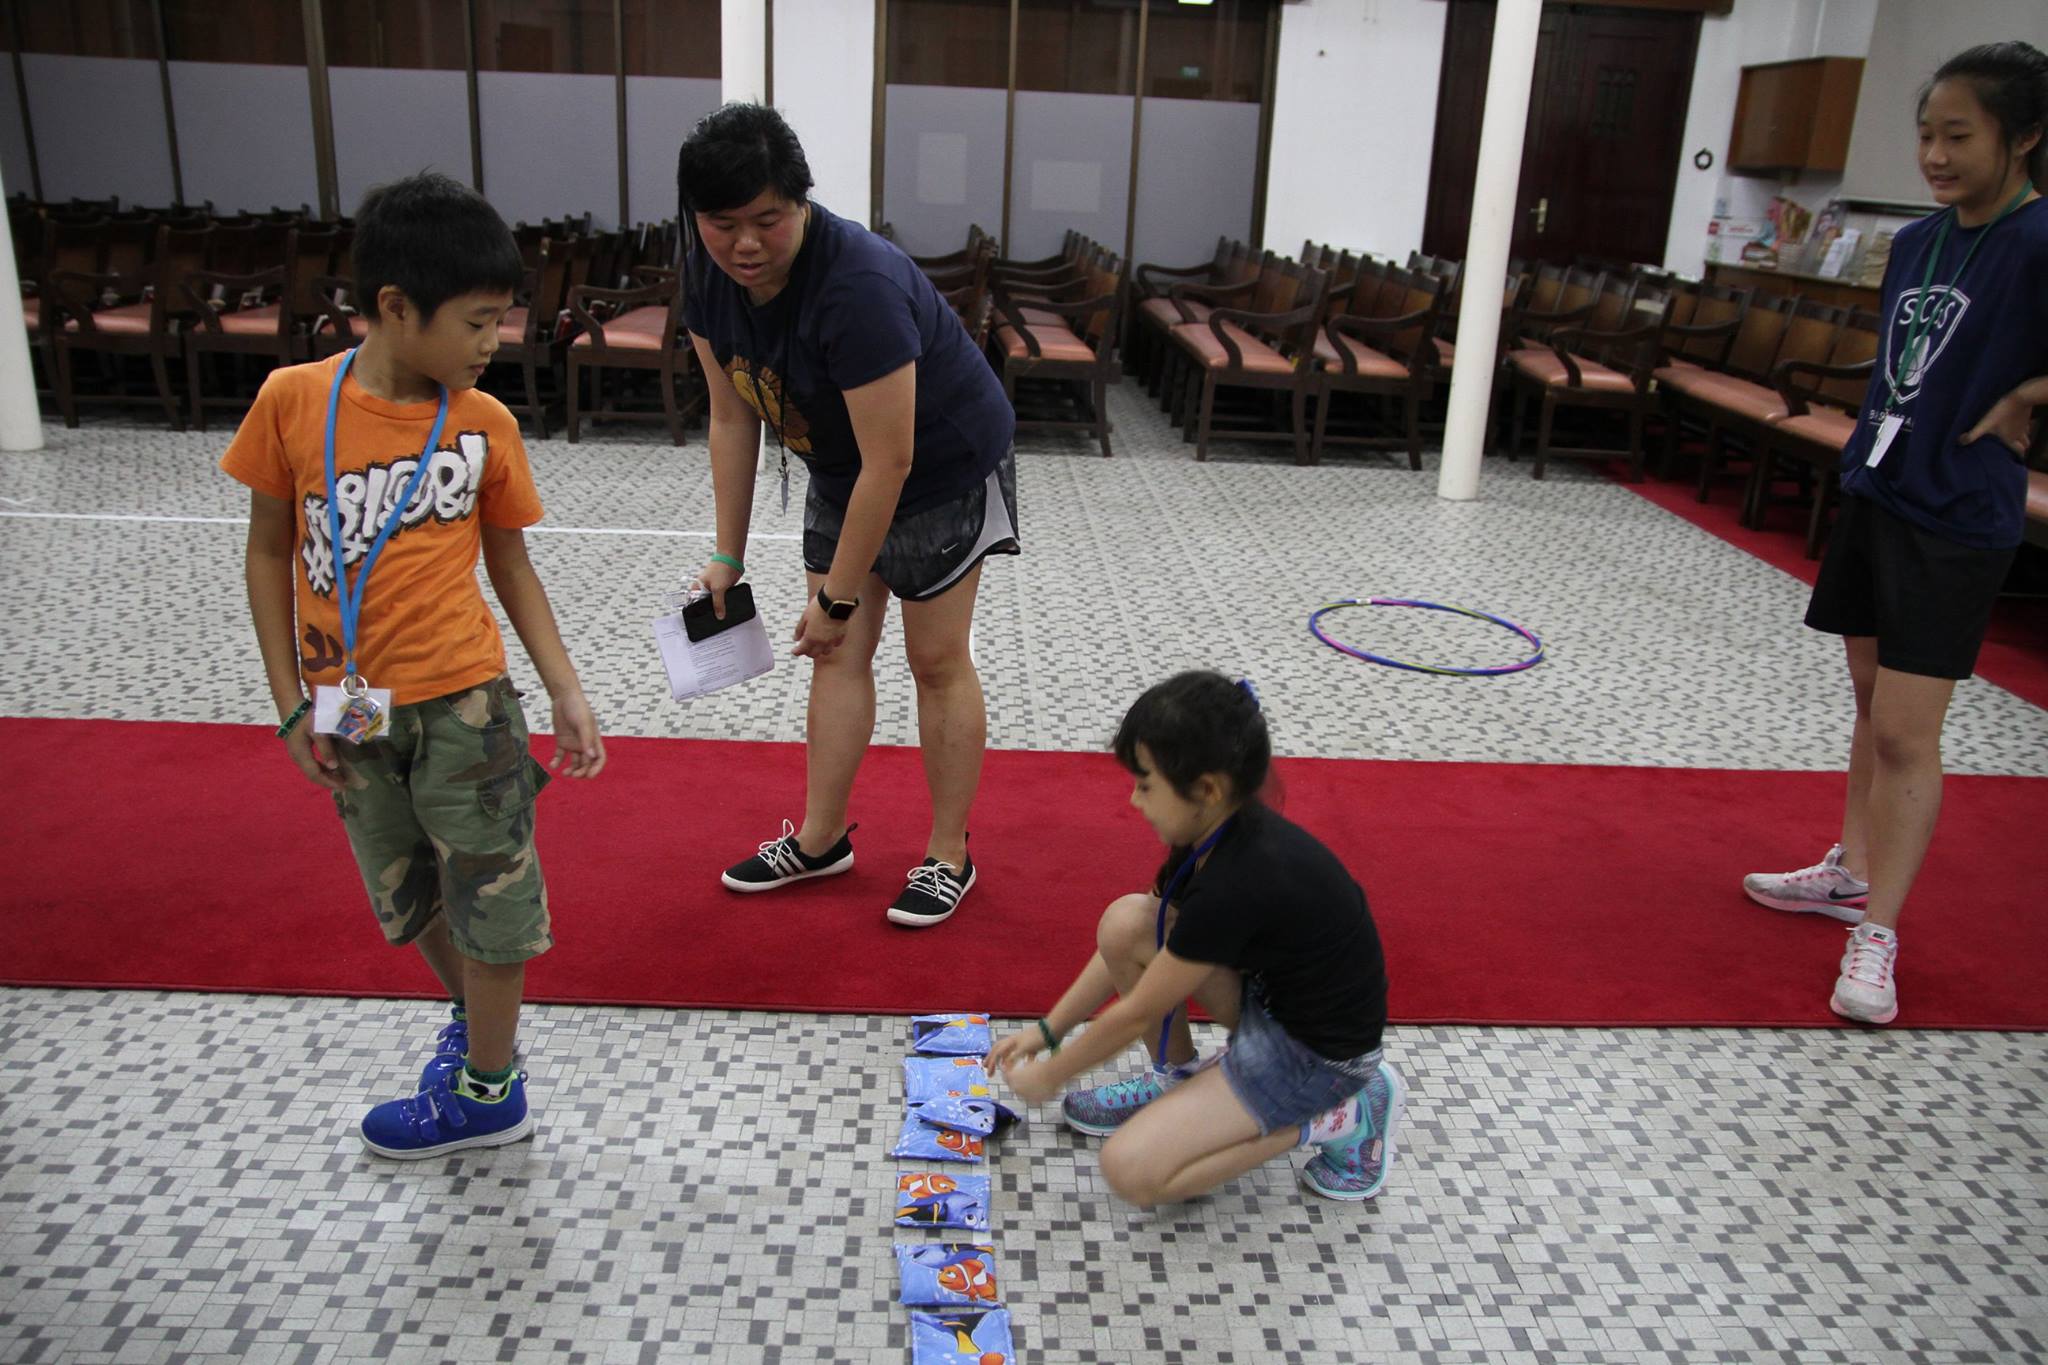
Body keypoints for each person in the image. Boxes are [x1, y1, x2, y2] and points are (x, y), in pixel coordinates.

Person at [222, 172, 607, 1157]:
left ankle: (490, 1093)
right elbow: (267, 553)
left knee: (493, 896)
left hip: (467, 704)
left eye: (499, 321)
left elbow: (511, 565)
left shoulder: (483, 423)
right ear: (396, 307)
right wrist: (289, 703)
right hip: (351, 707)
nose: (493, 343)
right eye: (477, 322)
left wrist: (564, 688)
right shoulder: (292, 402)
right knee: (408, 890)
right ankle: (477, 1032)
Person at [1743, 42, 2048, 1025]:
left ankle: (1878, 932)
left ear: (2024, 138)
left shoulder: (2037, 239)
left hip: (1957, 515)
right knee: (1872, 703)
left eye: (1958, 136)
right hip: (1880, 491)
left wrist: (2032, 393)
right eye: (1925, 135)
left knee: (1908, 735)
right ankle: (1850, 869)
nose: (1934, 155)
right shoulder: (1916, 243)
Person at [676, 103, 1018, 928]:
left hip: (940, 465)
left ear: (802, 202)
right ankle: (821, 839)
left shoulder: (857, 285)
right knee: (835, 654)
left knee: (935, 659)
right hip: (838, 464)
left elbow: (892, 460)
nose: (746, 244)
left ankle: (948, 854)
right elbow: (731, 415)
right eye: (724, 224)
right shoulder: (706, 275)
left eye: (767, 220)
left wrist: (835, 595)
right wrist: (727, 555)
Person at [987, 672, 1401, 1205]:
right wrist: (1049, 1030)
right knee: (1128, 921)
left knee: (1132, 1171)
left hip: (1317, 1058)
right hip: (1269, 1005)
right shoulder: (1212, 832)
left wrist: (1052, 1075)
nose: (1134, 800)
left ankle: (1338, 1116)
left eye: (1145, 785)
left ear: (1206, 790)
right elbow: (1138, 945)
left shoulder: (1240, 876)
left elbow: (1138, 1011)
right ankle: (1179, 1082)